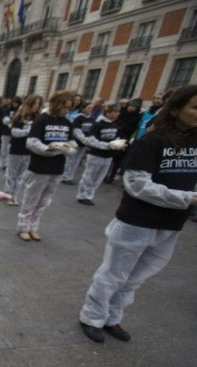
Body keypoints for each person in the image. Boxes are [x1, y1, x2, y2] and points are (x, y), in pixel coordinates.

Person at [79, 85, 197, 343]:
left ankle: (112, 317)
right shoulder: (153, 140)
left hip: (171, 223)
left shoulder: (194, 141)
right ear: (176, 109)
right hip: (137, 221)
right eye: (195, 107)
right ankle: (92, 316)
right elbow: (136, 184)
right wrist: (185, 198)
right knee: (114, 274)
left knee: (136, 278)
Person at [16, 90, 76, 241]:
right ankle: (23, 226)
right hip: (39, 166)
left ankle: (34, 227)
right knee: (31, 199)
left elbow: (72, 143)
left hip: (57, 167)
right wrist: (49, 149)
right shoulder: (42, 120)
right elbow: (32, 142)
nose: (66, 110)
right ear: (56, 104)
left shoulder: (67, 122)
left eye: (69, 108)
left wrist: (67, 149)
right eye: (64, 107)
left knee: (44, 201)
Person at [76, 103, 126, 206]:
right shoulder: (98, 124)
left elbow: (116, 138)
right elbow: (91, 140)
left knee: (98, 178)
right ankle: (82, 195)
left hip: (108, 156)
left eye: (118, 112)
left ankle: (89, 195)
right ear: (108, 112)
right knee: (89, 176)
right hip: (96, 155)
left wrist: (118, 144)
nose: (117, 114)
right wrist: (107, 145)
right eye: (115, 111)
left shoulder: (115, 125)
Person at [4, 94, 42, 206]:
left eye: (39, 104)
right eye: (35, 103)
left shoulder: (38, 118)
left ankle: (15, 195)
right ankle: (7, 195)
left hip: (29, 151)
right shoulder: (20, 116)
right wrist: (29, 132)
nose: (37, 106)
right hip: (16, 148)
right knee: (11, 174)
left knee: (21, 176)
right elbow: (14, 132)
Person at [61, 101, 94, 185]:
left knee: (76, 161)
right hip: (76, 142)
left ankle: (70, 176)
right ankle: (64, 176)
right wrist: (83, 139)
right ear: (83, 109)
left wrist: (89, 140)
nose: (90, 110)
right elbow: (76, 130)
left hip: (84, 144)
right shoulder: (79, 118)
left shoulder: (91, 119)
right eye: (88, 108)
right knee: (70, 160)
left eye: (91, 108)